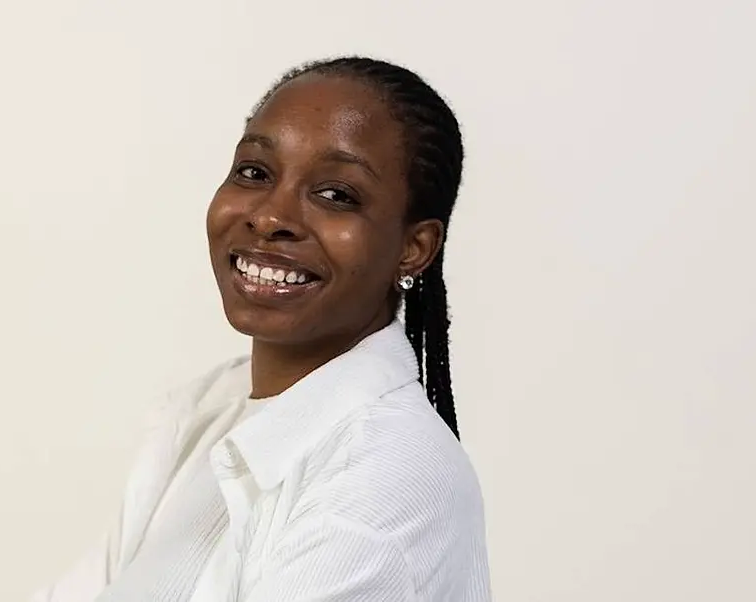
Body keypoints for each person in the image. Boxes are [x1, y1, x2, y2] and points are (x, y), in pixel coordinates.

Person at [32, 56, 490, 602]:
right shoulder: (209, 414)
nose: (270, 216)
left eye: (336, 194)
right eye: (255, 172)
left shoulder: (386, 484)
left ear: (414, 249)